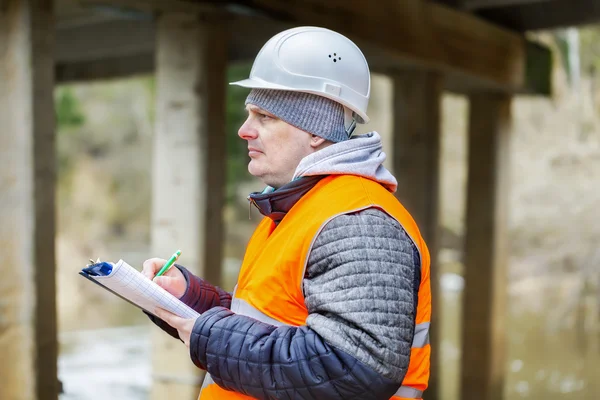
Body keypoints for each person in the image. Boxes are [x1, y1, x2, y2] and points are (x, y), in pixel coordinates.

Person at [143, 26, 431, 400]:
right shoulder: (300, 208)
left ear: (316, 130)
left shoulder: (358, 222)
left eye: (264, 116)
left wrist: (207, 333)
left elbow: (351, 368)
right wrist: (190, 299)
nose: (245, 130)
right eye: (250, 114)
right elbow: (273, 322)